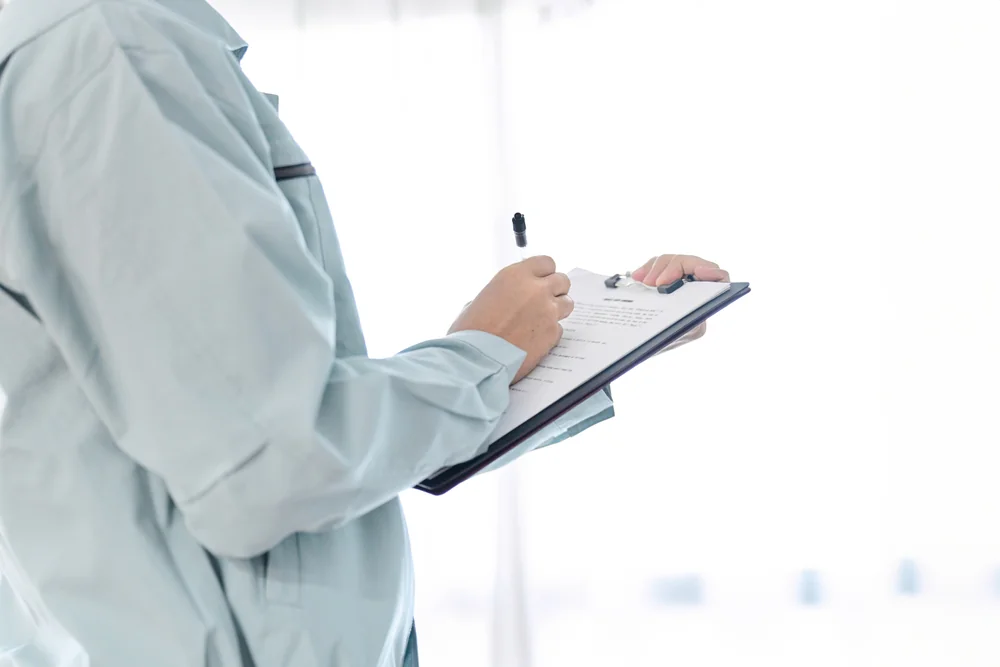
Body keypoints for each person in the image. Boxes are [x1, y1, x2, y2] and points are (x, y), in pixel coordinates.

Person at [0, 1, 731, 666]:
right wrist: (480, 353)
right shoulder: (112, 47)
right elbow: (270, 465)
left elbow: (260, 436)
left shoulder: (111, 42)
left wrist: (597, 342)